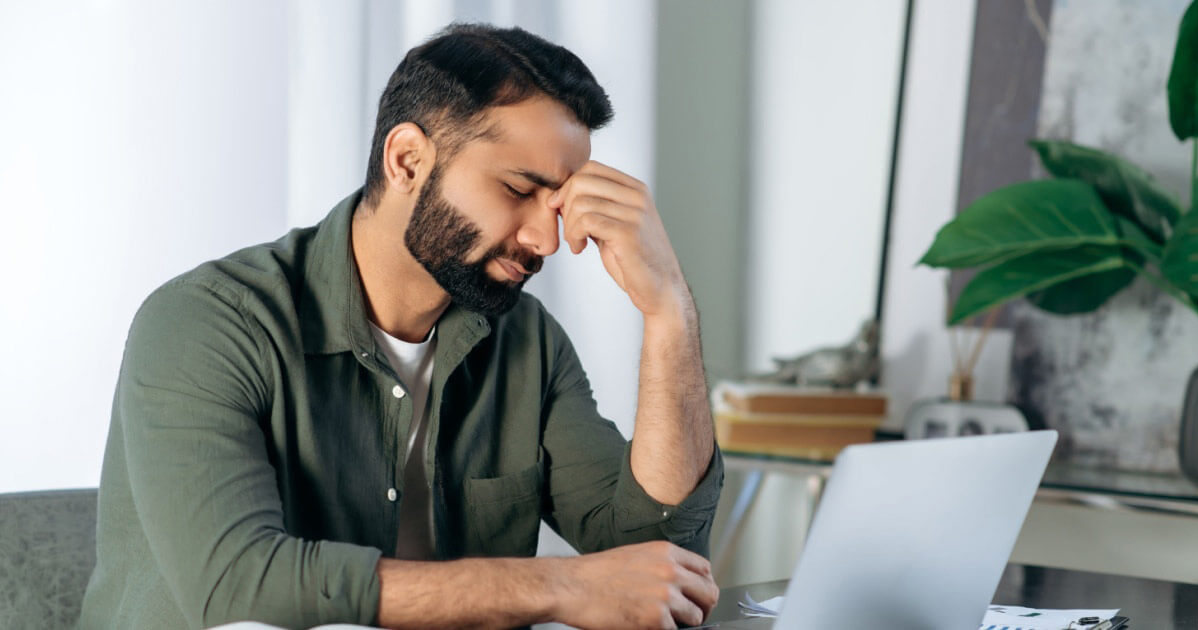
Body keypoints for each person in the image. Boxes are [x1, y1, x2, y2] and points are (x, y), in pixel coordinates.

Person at [78, 23, 722, 630]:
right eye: (518, 189)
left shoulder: (524, 340)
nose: (545, 239)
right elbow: (238, 584)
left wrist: (668, 312)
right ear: (408, 160)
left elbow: (657, 564)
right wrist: (559, 586)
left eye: (556, 203)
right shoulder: (208, 323)